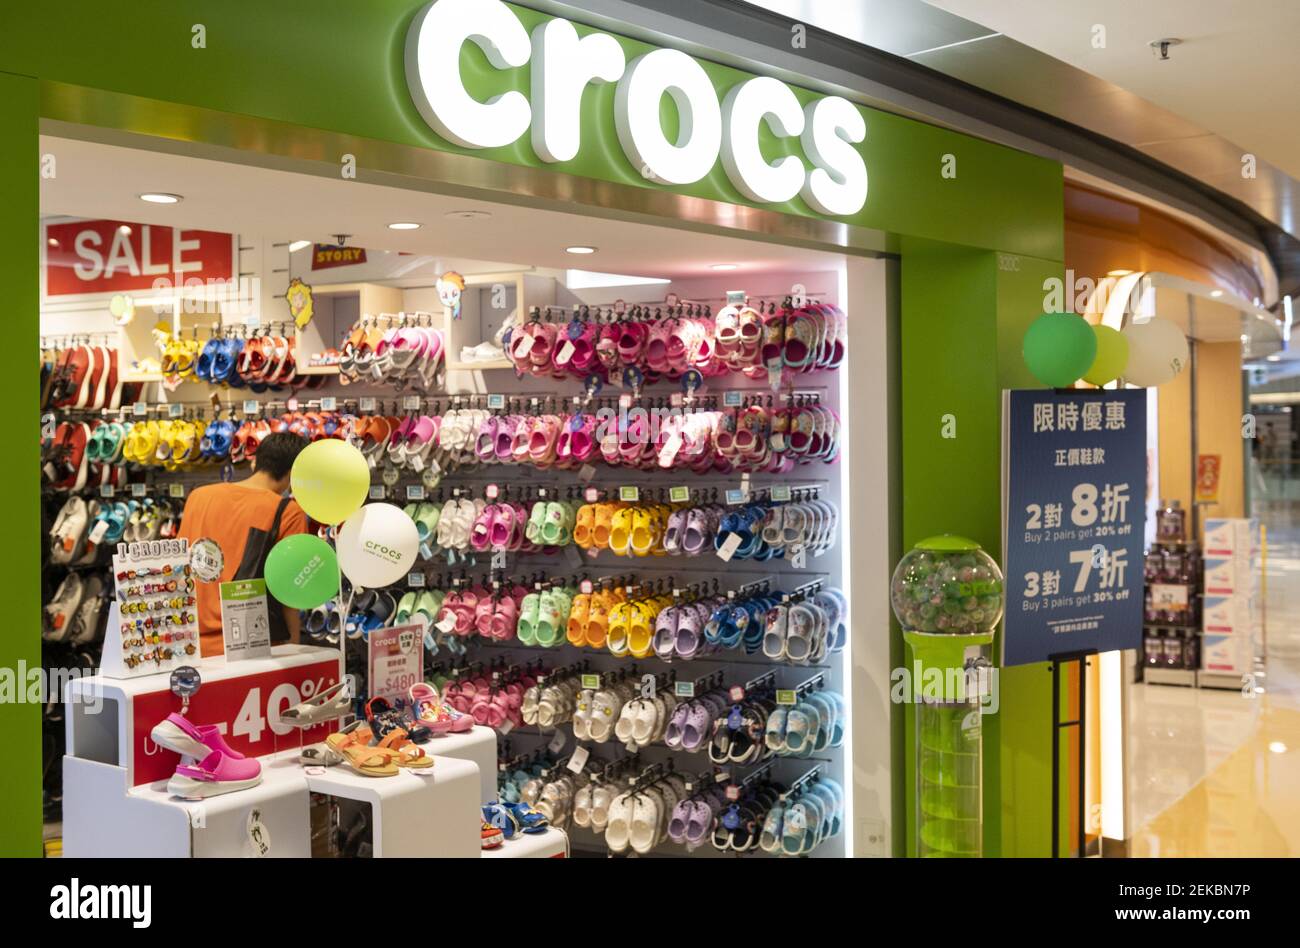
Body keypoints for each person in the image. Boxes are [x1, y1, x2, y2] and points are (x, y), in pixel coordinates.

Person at [179, 431, 310, 657]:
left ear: (254, 463)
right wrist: (293, 649)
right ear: (293, 474)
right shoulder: (288, 512)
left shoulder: (198, 497)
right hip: (252, 647)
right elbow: (290, 591)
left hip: (190, 643)